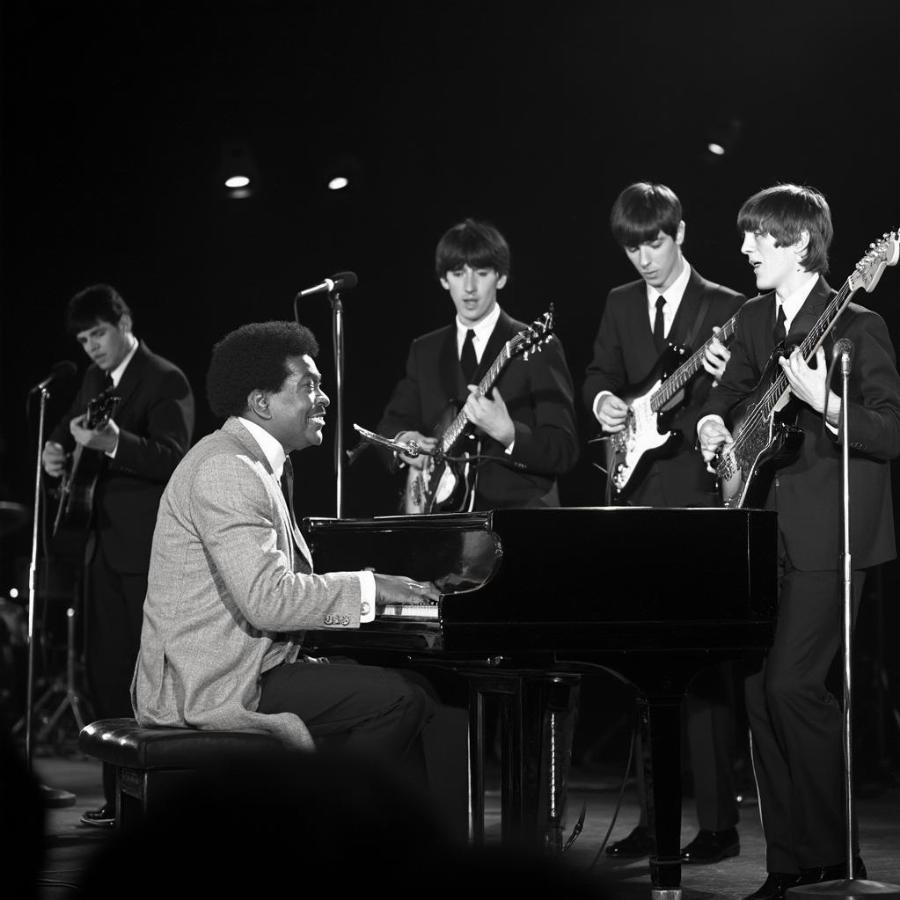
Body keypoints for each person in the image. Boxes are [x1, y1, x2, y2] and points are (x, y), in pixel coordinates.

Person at [131, 320, 467, 835]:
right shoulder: (227, 468)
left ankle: (415, 852)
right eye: (308, 386)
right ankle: (321, 830)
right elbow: (268, 599)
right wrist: (373, 588)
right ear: (262, 403)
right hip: (213, 683)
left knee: (423, 691)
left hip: (247, 664)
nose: (324, 398)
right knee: (402, 697)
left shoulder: (253, 463)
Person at [697, 183, 900, 900]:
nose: (746, 248)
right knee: (758, 694)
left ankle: (839, 859)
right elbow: (732, 397)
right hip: (763, 531)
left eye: (759, 238)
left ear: (799, 245)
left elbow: (888, 431)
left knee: (793, 685)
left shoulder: (858, 325)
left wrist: (825, 401)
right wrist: (714, 426)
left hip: (832, 532)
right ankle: (790, 866)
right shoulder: (755, 318)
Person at [582, 182, 746, 864]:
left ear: (679, 233)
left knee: (703, 670)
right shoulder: (621, 303)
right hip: (636, 495)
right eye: (632, 246)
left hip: (701, 500)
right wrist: (605, 407)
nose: (644, 257)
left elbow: (743, 393)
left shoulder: (731, 308)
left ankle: (717, 826)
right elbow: (599, 372)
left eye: (655, 242)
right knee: (644, 665)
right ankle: (655, 823)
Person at [41, 283, 194, 827]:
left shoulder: (164, 378)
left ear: (123, 322)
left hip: (145, 551)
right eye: (84, 339)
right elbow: (66, 431)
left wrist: (114, 444)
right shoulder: (91, 381)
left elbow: (176, 459)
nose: (92, 347)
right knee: (104, 675)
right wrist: (54, 451)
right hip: (97, 547)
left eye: (99, 333)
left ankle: (153, 799)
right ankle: (115, 798)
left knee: (144, 676)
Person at [376, 217, 579, 512]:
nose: (469, 287)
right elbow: (391, 424)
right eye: (458, 274)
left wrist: (509, 432)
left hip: (519, 520)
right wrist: (406, 442)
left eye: (481, 273)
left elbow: (565, 449)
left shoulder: (537, 345)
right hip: (443, 526)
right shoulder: (425, 350)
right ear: (444, 280)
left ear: (501, 277)